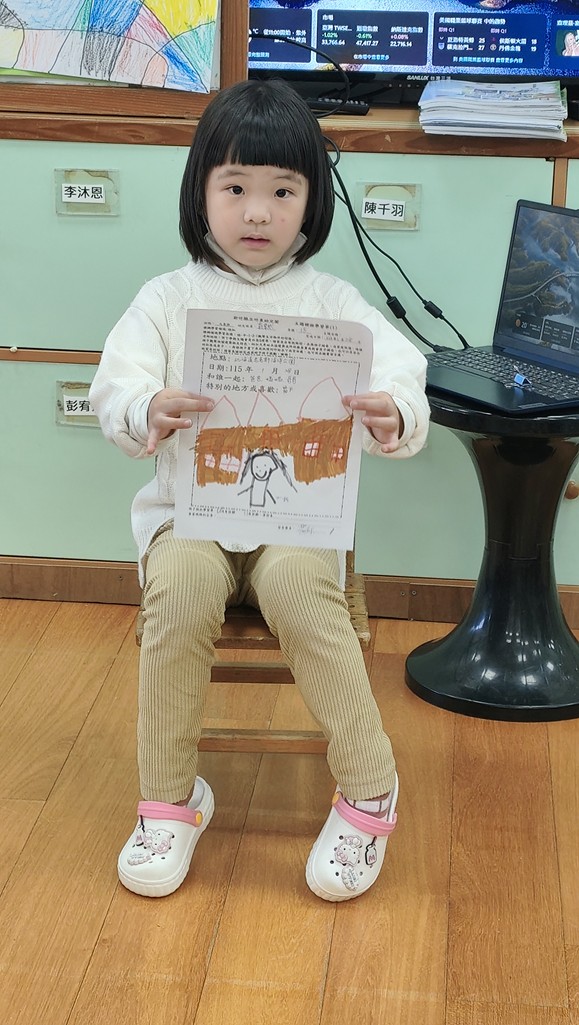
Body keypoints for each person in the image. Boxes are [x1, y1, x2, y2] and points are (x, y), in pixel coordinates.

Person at [89, 78, 430, 903]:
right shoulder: (166, 299)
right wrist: (145, 407)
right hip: (189, 517)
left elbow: (403, 372)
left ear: (310, 203)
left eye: (282, 191)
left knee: (299, 589)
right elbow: (113, 388)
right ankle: (169, 801)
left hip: (297, 526)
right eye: (235, 186)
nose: (256, 212)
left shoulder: (333, 301)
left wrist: (393, 411)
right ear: (200, 191)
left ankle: (369, 788)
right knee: (179, 589)